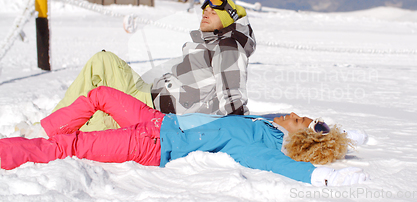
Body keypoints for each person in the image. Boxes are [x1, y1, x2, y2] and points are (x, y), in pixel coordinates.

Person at [0, 86, 369, 187]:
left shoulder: (256, 145)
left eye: (299, 119)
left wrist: (323, 175)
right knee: (101, 95)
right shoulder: (268, 124)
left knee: (68, 146)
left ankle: (9, 151)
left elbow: (272, 163)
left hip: (152, 145)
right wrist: (342, 134)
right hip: (158, 120)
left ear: (299, 141)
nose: (291, 113)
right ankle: (39, 130)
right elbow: (280, 118)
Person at [45, 0, 256, 133]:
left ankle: (49, 132)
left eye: (214, 11)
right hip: (146, 93)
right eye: (204, 10)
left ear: (229, 18)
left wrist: (244, 134)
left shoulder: (228, 47)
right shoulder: (213, 44)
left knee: (98, 120)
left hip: (152, 111)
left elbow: (232, 98)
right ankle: (51, 124)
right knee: (103, 60)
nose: (205, 13)